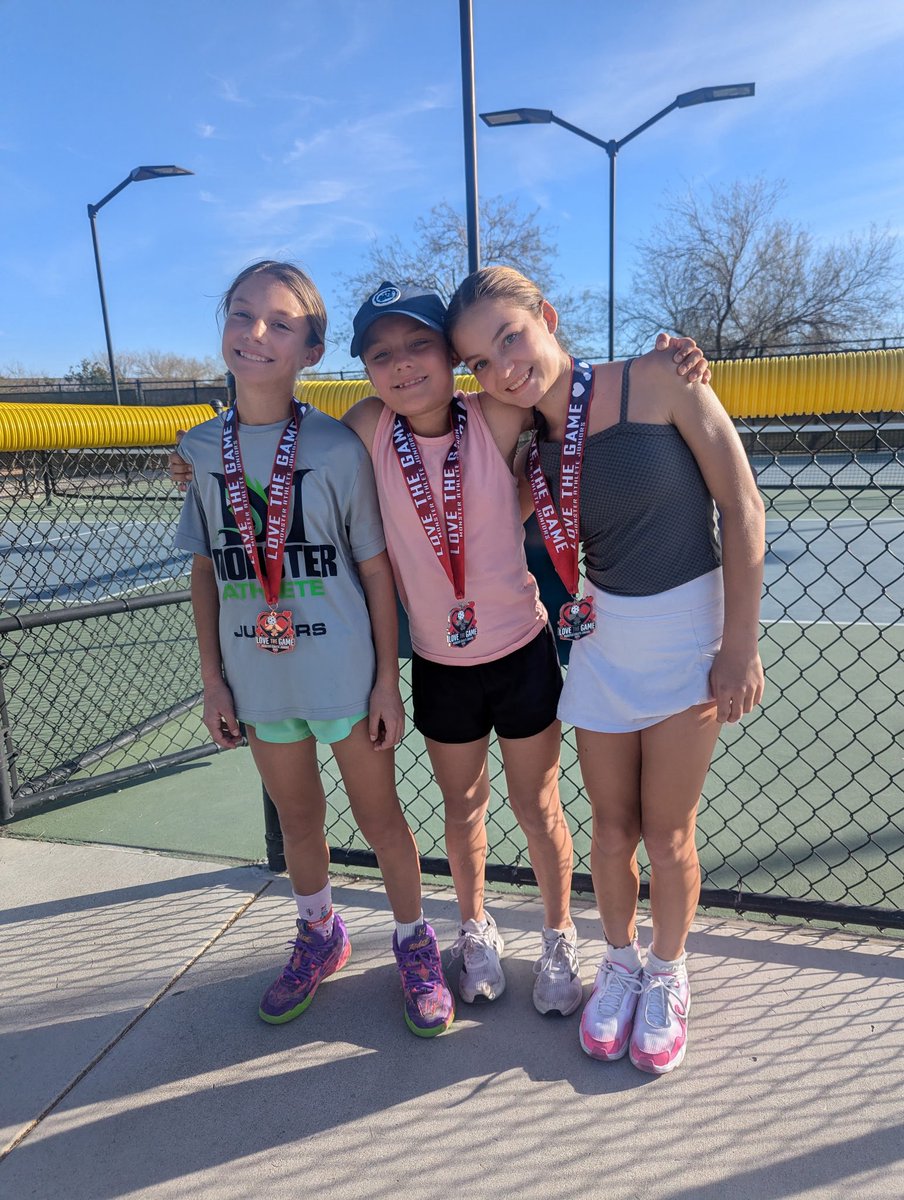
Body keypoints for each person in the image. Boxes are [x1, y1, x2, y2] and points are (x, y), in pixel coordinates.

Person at [341, 282, 710, 1017]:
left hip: (521, 649)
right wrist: (200, 457)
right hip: (440, 663)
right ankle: (475, 932)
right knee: (462, 804)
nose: (404, 366)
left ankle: (558, 935)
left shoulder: (499, 410)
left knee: (539, 806)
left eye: (421, 347)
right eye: (382, 355)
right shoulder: (365, 426)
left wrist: (670, 354)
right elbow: (286, 440)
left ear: (453, 360)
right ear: (367, 371)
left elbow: (568, 386)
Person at [446, 266, 765, 1073]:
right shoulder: (526, 453)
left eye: (510, 336)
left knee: (666, 833)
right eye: (481, 361)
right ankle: (619, 962)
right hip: (602, 644)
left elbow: (743, 507)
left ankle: (668, 972)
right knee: (612, 829)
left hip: (689, 637)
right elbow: (418, 451)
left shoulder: (662, 375)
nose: (504, 366)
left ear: (547, 316)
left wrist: (739, 645)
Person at [173, 261, 454, 1038]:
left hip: (344, 677)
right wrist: (213, 680)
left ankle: (412, 941)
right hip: (257, 683)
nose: (255, 333)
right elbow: (204, 568)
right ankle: (319, 933)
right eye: (241, 314)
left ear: (313, 349)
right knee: (299, 822)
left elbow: (374, 568)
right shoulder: (199, 450)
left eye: (280, 323)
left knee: (381, 820)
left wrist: (386, 685)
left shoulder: (336, 448)